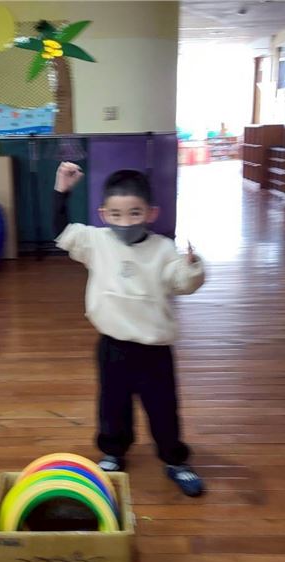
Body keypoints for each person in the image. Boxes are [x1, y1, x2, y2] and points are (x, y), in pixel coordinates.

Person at [53, 161, 206, 497]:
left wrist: (193, 267)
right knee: (112, 406)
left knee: (163, 408)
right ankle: (113, 452)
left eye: (134, 213)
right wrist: (62, 190)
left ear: (151, 213)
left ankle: (175, 460)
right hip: (113, 347)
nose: (125, 222)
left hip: (154, 351)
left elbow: (182, 283)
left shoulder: (163, 249)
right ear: (104, 214)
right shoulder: (96, 242)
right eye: (116, 215)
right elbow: (61, 231)